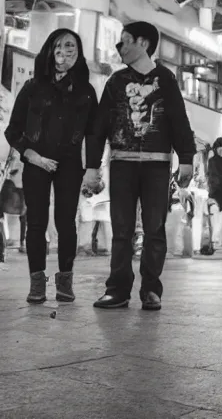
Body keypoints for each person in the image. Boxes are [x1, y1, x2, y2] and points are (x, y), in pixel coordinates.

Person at [87, 21, 196, 311]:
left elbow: (179, 121)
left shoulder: (166, 79)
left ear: (143, 43)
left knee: (155, 229)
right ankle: (117, 290)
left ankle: (151, 289)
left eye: (124, 41)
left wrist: (187, 159)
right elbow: (99, 127)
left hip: (157, 166)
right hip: (121, 163)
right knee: (121, 230)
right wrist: (91, 166)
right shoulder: (115, 81)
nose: (118, 47)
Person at [4, 28, 98, 304]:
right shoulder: (33, 87)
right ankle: (37, 283)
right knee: (36, 222)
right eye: (58, 47)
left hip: (69, 163)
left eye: (70, 47)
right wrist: (32, 155)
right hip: (36, 162)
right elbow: (13, 130)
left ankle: (65, 282)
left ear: (78, 53)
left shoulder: (86, 91)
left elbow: (94, 133)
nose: (64, 52)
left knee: (66, 222)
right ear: (49, 51)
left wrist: (93, 167)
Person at [205, 137, 222, 253]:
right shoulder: (213, 161)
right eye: (221, 148)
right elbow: (213, 178)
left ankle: (217, 242)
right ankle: (214, 242)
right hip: (216, 192)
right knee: (216, 218)